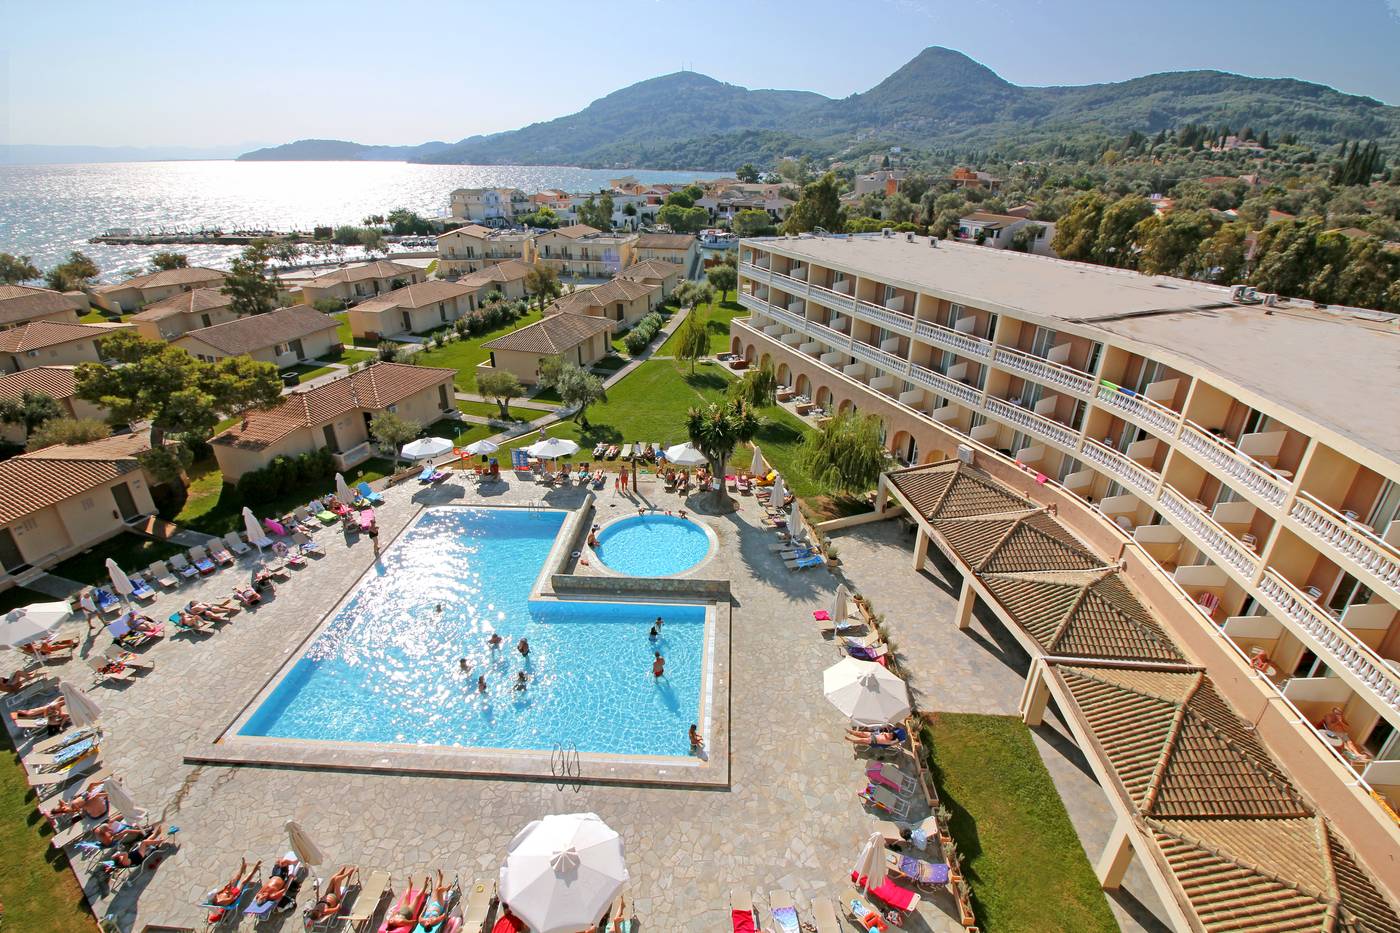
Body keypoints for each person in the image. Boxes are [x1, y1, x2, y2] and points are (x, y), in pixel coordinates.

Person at [845, 725, 909, 746]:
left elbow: (894, 742)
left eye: (893, 734)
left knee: (864, 740)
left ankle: (852, 740)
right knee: (862, 733)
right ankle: (851, 732)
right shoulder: (891, 733)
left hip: (875, 739)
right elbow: (887, 731)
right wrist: (887, 729)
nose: (891, 733)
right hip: (875, 734)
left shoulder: (890, 741)